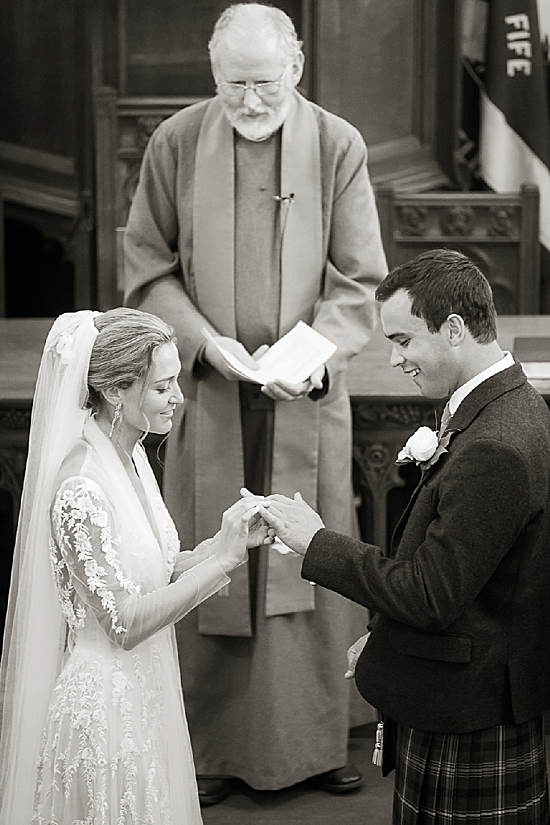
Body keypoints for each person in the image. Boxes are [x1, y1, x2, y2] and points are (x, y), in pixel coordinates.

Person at [123, 1, 388, 804]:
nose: (248, 100)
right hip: (205, 392)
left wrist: (308, 356)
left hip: (306, 393)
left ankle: (313, 742)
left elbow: (358, 281)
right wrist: (207, 341)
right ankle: (206, 746)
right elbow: (147, 267)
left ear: (296, 69)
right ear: (213, 76)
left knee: (304, 562)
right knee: (213, 560)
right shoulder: (175, 142)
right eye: (232, 84)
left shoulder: (338, 144)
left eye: (263, 82)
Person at [259, 249, 550, 824]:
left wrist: (315, 542)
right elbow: (471, 575)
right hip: (476, 689)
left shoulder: (494, 443)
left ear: (454, 329)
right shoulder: (512, 407)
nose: (393, 359)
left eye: (403, 340)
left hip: (469, 710)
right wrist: (390, 637)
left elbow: (430, 593)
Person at [0, 308, 273, 825]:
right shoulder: (81, 488)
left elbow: (160, 568)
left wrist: (229, 539)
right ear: (114, 391)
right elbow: (123, 622)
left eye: (175, 383)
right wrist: (222, 564)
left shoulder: (130, 455)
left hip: (145, 693)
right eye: (162, 387)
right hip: (104, 712)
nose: (179, 397)